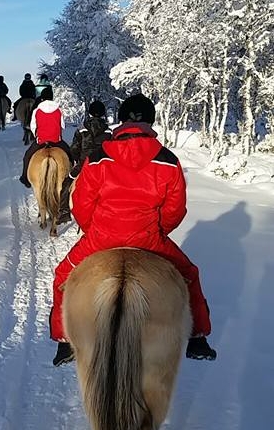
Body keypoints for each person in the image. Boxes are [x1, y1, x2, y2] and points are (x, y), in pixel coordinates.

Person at [50, 93, 217, 366]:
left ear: (121, 121)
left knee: (61, 276)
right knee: (190, 274)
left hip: (100, 239)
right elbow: (175, 209)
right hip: (149, 240)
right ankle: (198, 338)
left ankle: (64, 341)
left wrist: (95, 229)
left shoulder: (98, 157)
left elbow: (82, 205)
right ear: (150, 121)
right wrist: (156, 231)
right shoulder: (168, 160)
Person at [56, 100, 112, 225]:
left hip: (84, 165)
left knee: (67, 183)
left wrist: (76, 160)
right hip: (103, 167)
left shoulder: (82, 129)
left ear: (90, 113)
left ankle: (64, 211)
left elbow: (74, 149)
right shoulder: (108, 132)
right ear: (103, 113)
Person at [18, 87, 73, 188]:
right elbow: (63, 125)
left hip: (41, 141)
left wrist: (37, 136)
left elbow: (33, 126)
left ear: (42, 98)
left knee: (27, 156)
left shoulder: (37, 110)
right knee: (70, 155)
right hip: (57, 141)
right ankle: (72, 176)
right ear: (52, 97)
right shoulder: (58, 110)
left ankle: (25, 177)